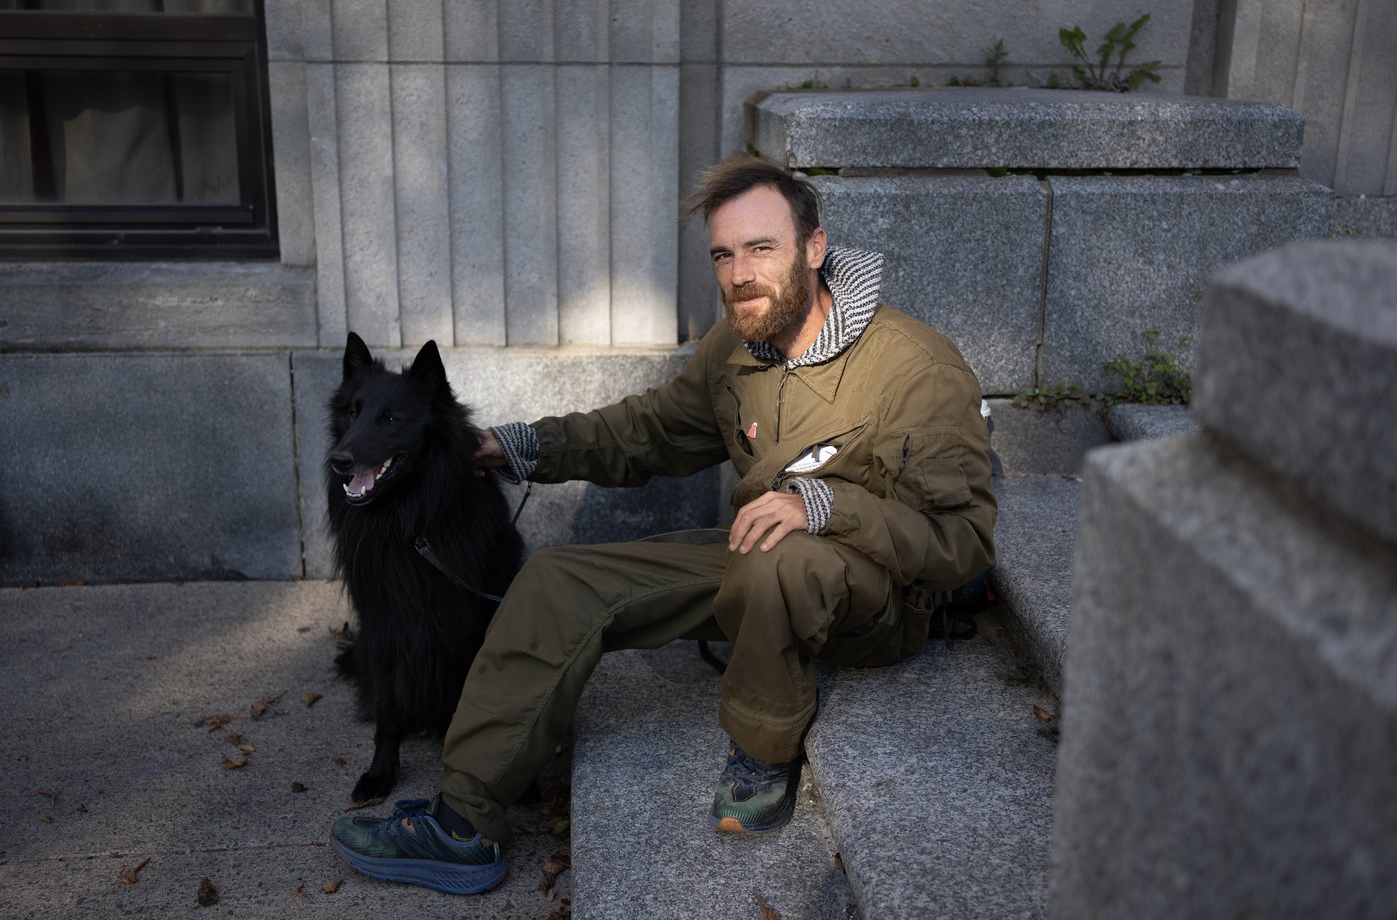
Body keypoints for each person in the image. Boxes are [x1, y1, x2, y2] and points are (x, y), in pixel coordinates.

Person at [329, 154, 997, 895]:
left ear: (814, 248)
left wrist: (825, 504)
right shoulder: (738, 346)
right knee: (557, 577)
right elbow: (648, 430)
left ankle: (762, 746)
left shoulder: (916, 368)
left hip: (874, 595)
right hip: (755, 559)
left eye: (761, 248)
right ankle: (463, 821)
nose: (739, 273)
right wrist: (521, 446)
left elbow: (962, 538)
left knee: (779, 555)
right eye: (723, 254)